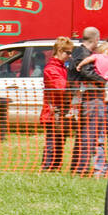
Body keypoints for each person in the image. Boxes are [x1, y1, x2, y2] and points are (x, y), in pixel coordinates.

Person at [68, 27, 108, 176]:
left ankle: (78, 167)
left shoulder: (78, 51)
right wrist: (103, 80)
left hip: (82, 98)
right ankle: (82, 168)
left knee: (84, 135)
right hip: (89, 98)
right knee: (88, 135)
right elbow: (86, 71)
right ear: (96, 39)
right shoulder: (84, 54)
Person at [40, 37, 74, 172]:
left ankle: (56, 167)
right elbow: (61, 87)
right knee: (52, 142)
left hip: (61, 112)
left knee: (60, 141)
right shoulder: (51, 69)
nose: (70, 56)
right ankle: (47, 167)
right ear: (59, 51)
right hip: (52, 112)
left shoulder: (62, 68)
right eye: (68, 52)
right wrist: (74, 85)